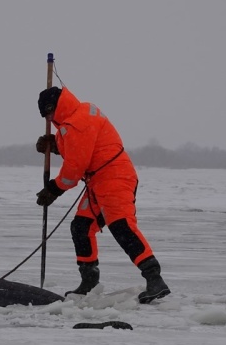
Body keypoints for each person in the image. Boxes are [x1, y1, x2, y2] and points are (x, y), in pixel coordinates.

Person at [35, 86, 171, 304]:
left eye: (49, 113)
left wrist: (53, 189)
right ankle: (89, 281)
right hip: (98, 181)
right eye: (46, 117)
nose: (49, 118)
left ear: (56, 107)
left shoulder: (75, 124)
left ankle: (155, 279)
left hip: (115, 178)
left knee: (121, 226)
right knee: (81, 226)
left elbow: (74, 169)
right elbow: (88, 147)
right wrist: (57, 145)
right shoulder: (81, 112)